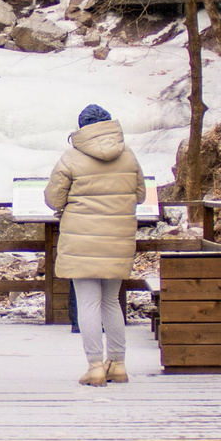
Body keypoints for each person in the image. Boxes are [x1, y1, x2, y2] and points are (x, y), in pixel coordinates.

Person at [45, 103, 146, 386]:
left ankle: (95, 367)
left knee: (88, 303)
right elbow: (140, 195)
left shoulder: (71, 157)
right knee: (111, 301)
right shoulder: (128, 155)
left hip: (82, 240)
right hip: (117, 239)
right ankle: (118, 364)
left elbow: (53, 199)